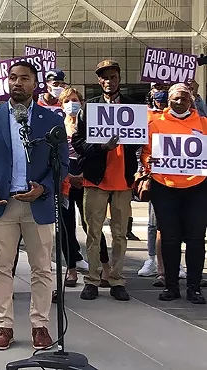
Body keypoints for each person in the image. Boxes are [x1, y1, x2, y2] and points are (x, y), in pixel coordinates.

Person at [0, 61, 68, 350]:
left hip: (37, 204)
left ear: (35, 84)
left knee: (42, 268)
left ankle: (40, 325)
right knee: (0, 268)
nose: (17, 83)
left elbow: (62, 163)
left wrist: (45, 188)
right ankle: (4, 326)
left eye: (24, 79)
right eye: (13, 78)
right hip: (2, 203)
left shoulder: (51, 120)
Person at [72, 60, 140, 302]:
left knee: (120, 234)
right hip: (96, 180)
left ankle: (117, 279)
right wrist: (100, 147)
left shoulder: (134, 108)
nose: (108, 81)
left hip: (123, 180)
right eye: (104, 77)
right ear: (99, 81)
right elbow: (77, 142)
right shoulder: (88, 108)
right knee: (93, 232)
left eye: (112, 76)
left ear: (119, 78)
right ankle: (91, 279)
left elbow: (142, 141)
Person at [143, 83, 206, 304]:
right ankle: (171, 286)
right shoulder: (155, 122)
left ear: (191, 100)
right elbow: (145, 151)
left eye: (184, 98)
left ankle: (194, 287)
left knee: (196, 239)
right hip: (165, 186)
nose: (180, 102)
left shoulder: (203, 123)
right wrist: (147, 162)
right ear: (168, 99)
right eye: (175, 98)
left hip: (197, 188)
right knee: (169, 238)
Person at [57, 88, 93, 286]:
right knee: (66, 227)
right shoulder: (57, 126)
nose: (72, 103)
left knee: (91, 225)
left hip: (85, 176)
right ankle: (71, 268)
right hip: (65, 179)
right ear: (61, 105)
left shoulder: (88, 125)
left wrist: (83, 174)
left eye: (75, 100)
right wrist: (68, 176)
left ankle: (100, 267)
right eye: (68, 100)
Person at [138, 82, 169, 280]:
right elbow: (138, 145)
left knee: (174, 224)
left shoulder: (180, 114)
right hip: (154, 175)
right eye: (156, 94)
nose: (160, 98)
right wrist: (142, 168)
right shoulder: (145, 116)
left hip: (180, 176)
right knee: (153, 223)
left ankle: (172, 261)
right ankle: (152, 258)